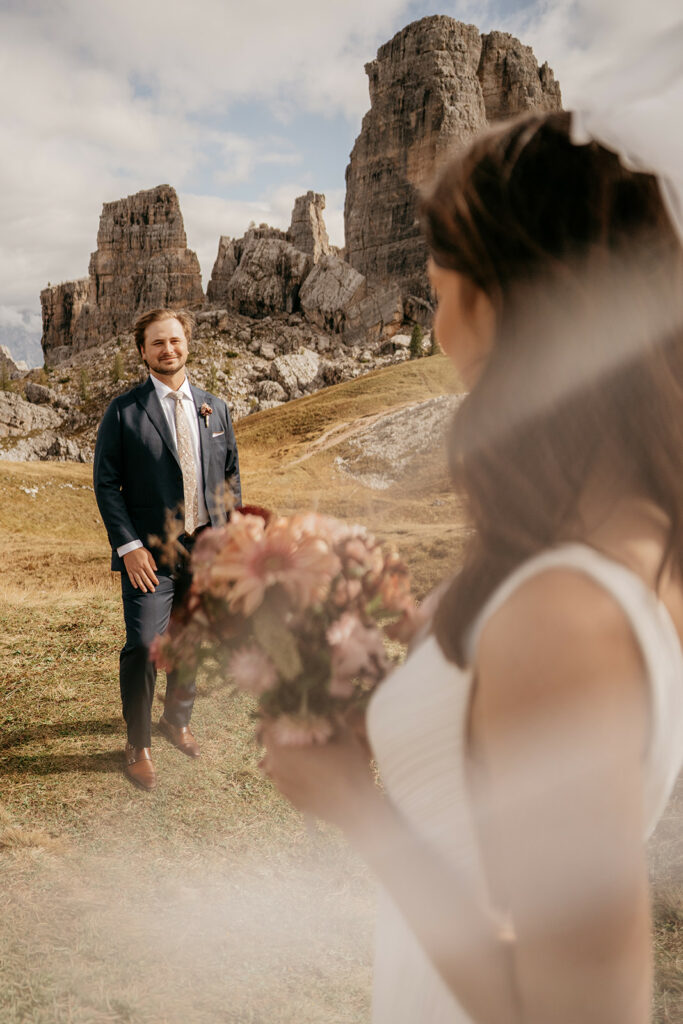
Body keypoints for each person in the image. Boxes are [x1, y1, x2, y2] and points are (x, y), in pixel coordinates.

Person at [259, 109, 683, 1022]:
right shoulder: (631, 535)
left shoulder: (565, 609)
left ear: (491, 301)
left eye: (436, 283)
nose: (433, 318)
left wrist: (352, 806)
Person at [94, 308, 241, 791]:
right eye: (157, 343)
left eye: (175, 340)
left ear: (187, 343)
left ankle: (176, 721)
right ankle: (138, 743)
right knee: (142, 645)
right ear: (143, 352)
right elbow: (106, 483)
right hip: (149, 558)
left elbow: (230, 477)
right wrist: (129, 547)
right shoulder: (123, 411)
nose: (168, 349)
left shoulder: (215, 409)